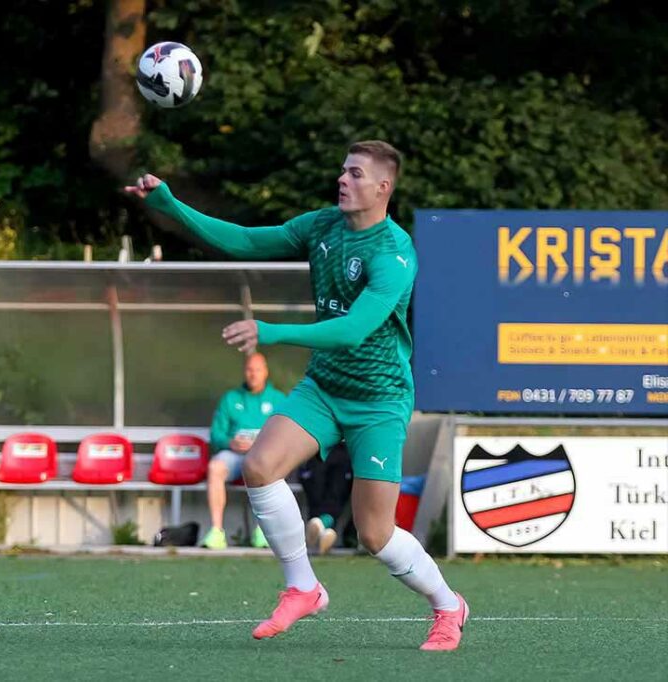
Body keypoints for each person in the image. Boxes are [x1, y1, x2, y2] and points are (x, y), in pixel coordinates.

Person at [125, 140, 468, 650]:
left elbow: (354, 329)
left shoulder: (395, 254)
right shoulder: (322, 225)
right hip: (325, 387)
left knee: (376, 534)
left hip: (378, 399)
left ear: (383, 187)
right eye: (343, 172)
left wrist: (272, 331)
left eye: (354, 174)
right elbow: (243, 240)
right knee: (259, 466)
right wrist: (170, 204)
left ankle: (448, 606)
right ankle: (303, 587)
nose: (343, 180)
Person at [203, 352, 286, 549]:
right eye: (249, 370)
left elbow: (285, 435)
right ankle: (217, 532)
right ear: (244, 372)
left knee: (265, 466)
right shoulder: (230, 399)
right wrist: (230, 442)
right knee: (215, 467)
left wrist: (262, 445)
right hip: (234, 455)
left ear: (265, 372)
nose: (253, 374)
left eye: (257, 370)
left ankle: (262, 532)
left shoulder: (278, 399)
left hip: (262, 457)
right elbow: (216, 435)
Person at [299, 443, 353, 555]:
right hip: (318, 447)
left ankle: (320, 526)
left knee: (334, 494)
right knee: (323, 495)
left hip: (330, 447)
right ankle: (324, 527)